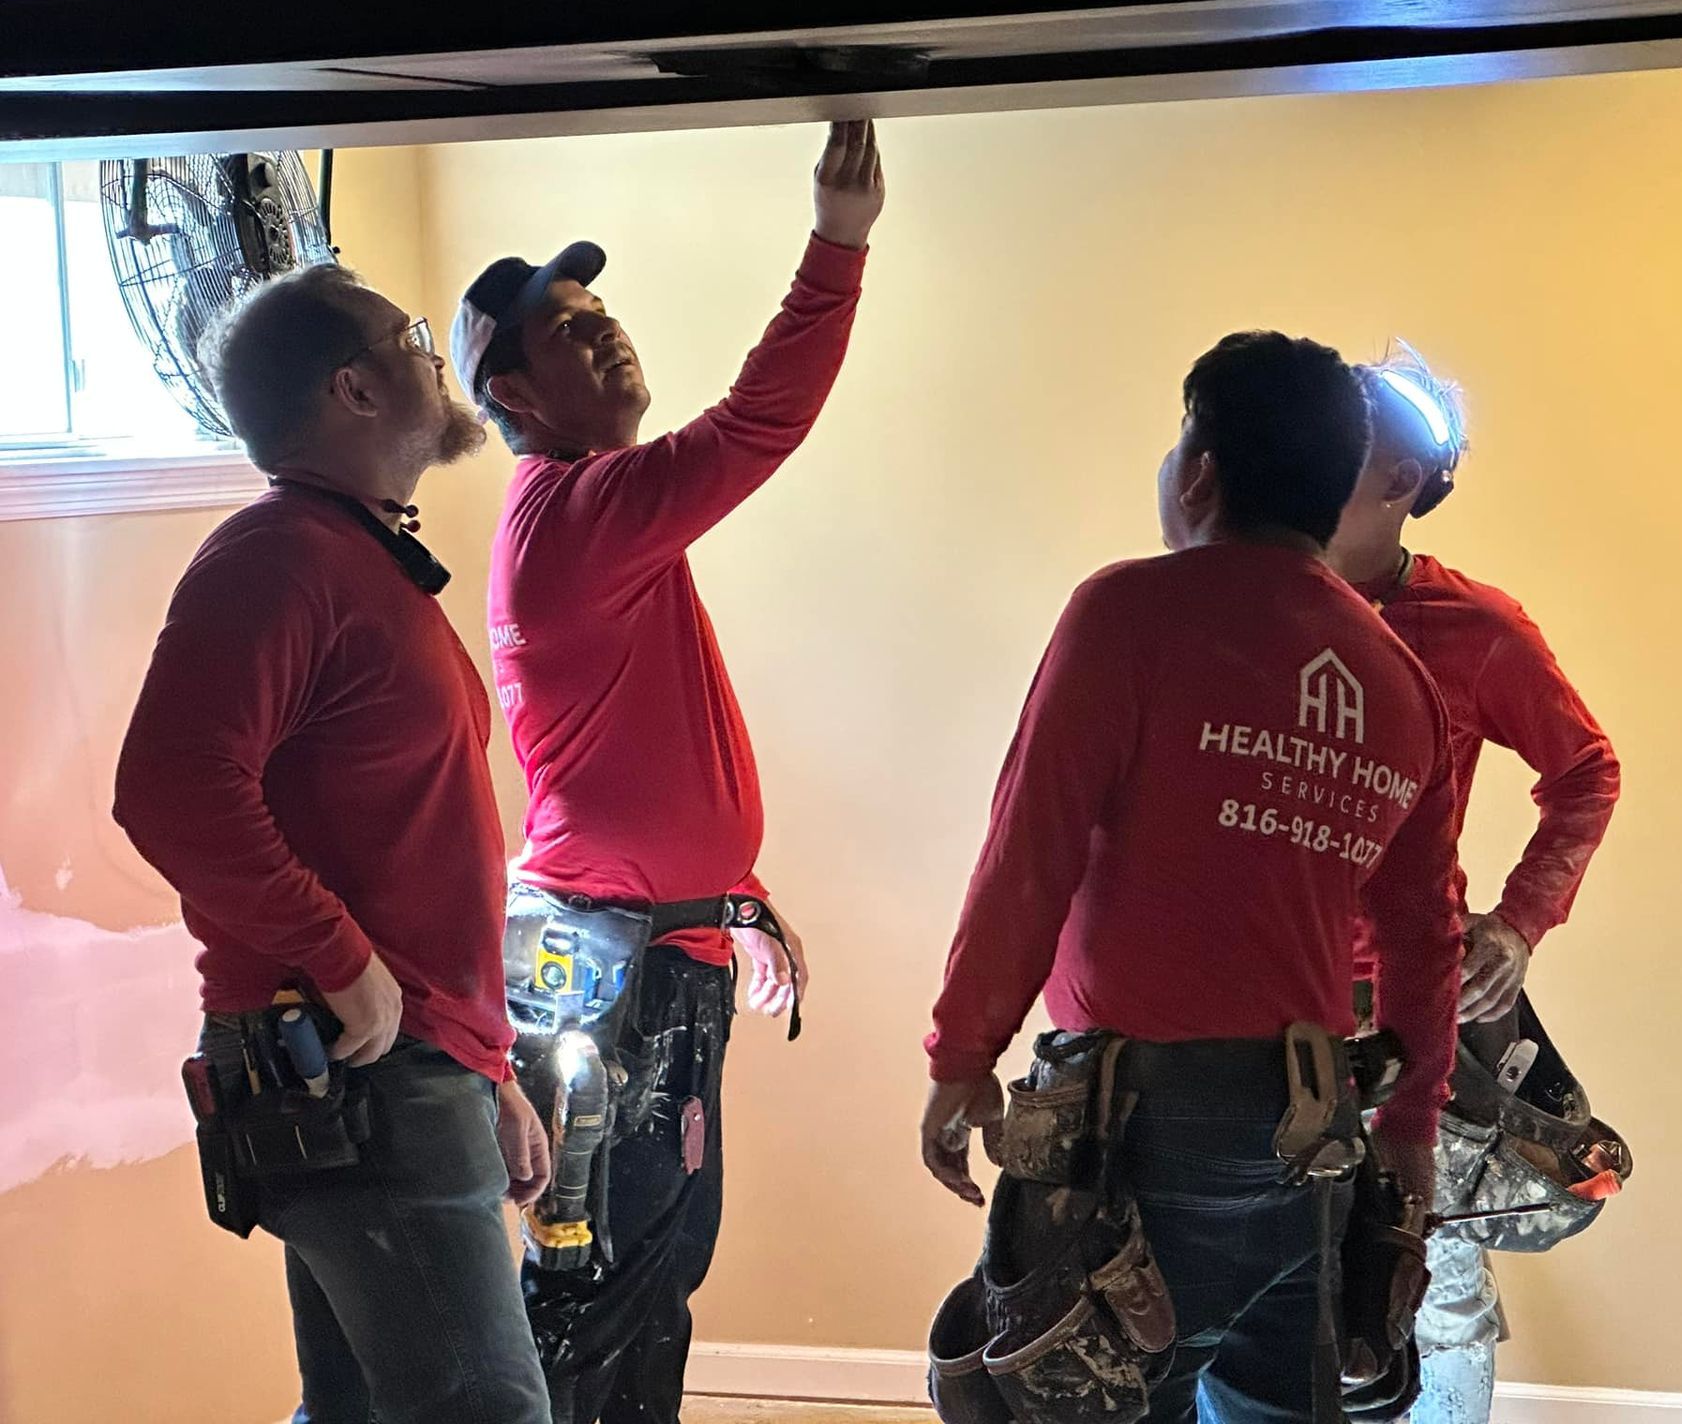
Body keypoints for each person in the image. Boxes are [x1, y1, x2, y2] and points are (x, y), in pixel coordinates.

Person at [921, 331, 1465, 1424]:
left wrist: (964, 1050)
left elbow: (1032, 851)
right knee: (1275, 1403)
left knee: (1074, 1394)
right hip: (1315, 1129)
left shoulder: (1132, 612)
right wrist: (1411, 1131)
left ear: (1200, 468)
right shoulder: (1399, 683)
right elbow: (1424, 933)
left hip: (1143, 1123)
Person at [449, 120, 885, 1424]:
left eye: (601, 311)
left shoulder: (596, 515)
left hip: (639, 945)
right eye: (565, 332)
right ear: (515, 395)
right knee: (605, 1278)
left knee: (646, 1268)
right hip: (605, 960)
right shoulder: (579, 514)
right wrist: (840, 243)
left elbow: (639, 756)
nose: (606, 334)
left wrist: (729, 894)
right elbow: (760, 424)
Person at [114, 264, 552, 1424]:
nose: (431, 353)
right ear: (353, 388)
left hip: (406, 1063)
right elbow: (169, 789)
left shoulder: (362, 556)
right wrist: (343, 958)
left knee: (360, 1408)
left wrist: (486, 1068)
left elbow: (414, 844)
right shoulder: (279, 558)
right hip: (355, 1069)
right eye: (409, 337)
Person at [1325, 348, 1622, 1424]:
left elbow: (1585, 770)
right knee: (1264, 1271)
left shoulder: (1475, 629)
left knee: (1425, 1279)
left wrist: (1520, 924)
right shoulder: (1245, 604)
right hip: (1253, 1001)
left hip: (1410, 1007)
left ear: (1400, 484)